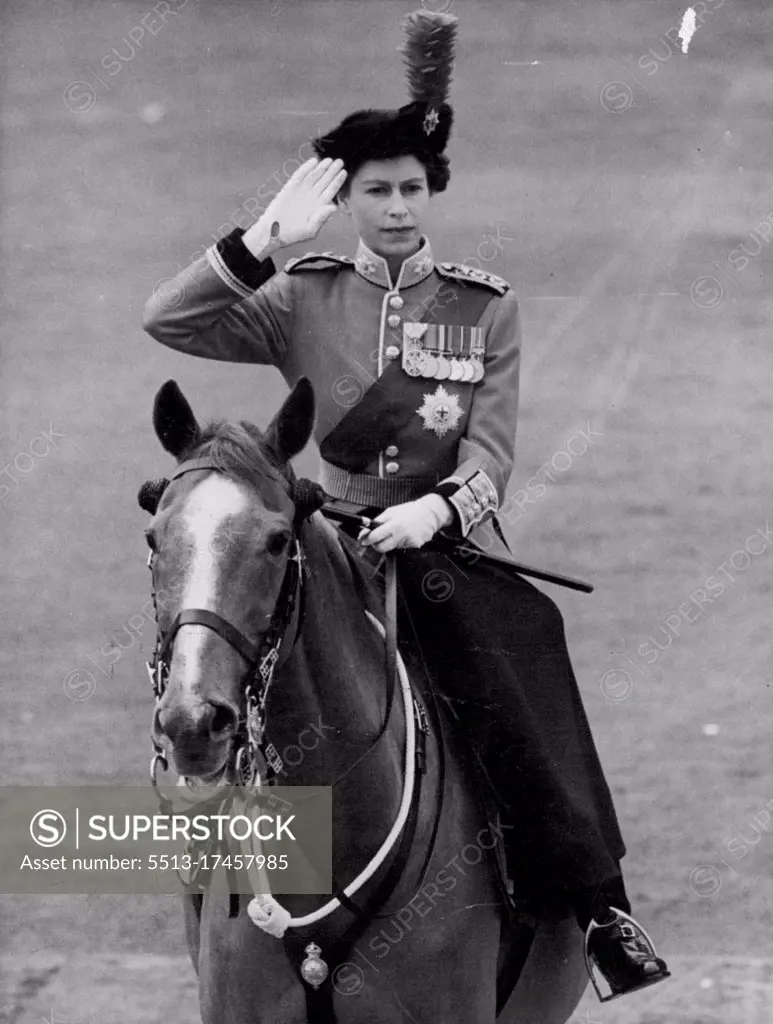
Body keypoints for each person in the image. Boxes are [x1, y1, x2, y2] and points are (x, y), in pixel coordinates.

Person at [142, 9, 670, 1002]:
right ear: (347, 202)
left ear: (433, 195)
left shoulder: (482, 306)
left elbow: (491, 452)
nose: (393, 208)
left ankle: (595, 904)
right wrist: (260, 240)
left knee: (524, 662)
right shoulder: (301, 293)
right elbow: (167, 317)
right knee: (216, 657)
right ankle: (216, 916)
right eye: (374, 191)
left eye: (409, 190)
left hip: (434, 551)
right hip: (313, 540)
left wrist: (437, 512)